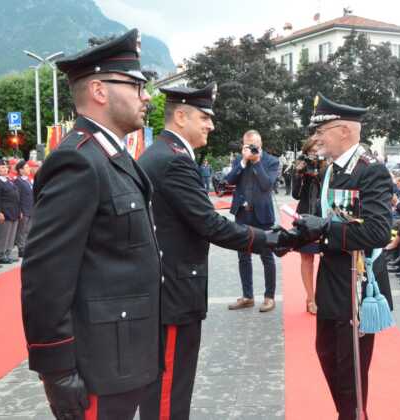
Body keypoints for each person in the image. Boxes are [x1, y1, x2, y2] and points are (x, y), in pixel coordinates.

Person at [20, 29, 163, 420]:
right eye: (136, 86)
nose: (146, 97)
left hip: (124, 356)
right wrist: (57, 369)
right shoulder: (79, 161)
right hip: (97, 366)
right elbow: (46, 274)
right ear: (100, 91)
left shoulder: (112, 156)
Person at [137, 84, 291, 420]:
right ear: (181, 116)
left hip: (164, 286)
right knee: (168, 393)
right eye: (204, 117)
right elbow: (209, 223)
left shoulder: (161, 153)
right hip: (174, 291)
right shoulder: (174, 161)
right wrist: (272, 239)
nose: (211, 125)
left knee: (167, 388)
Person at [290, 93, 393, 419]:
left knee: (351, 371)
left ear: (344, 131)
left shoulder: (370, 170)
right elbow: (334, 220)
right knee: (327, 354)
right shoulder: (332, 170)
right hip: (332, 276)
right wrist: (296, 235)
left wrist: (324, 228)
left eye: (322, 131)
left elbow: (378, 232)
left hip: (356, 281)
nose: (316, 138)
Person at [226, 129, 280, 312]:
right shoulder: (239, 160)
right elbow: (229, 180)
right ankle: (247, 296)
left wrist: (256, 162)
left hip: (263, 216)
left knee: (267, 256)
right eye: (247, 145)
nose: (250, 149)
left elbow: (267, 185)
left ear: (260, 144)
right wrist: (243, 162)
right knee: (243, 256)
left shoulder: (271, 161)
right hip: (242, 214)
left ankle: (269, 297)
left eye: (254, 145)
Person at [292, 136, 326, 315]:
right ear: (306, 152)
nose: (315, 154)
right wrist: (299, 174)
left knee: (327, 257)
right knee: (307, 258)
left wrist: (320, 171)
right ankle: (310, 298)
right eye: (312, 151)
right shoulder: (301, 165)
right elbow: (295, 194)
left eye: (318, 150)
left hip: (324, 216)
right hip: (305, 215)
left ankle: (324, 296)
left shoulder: (329, 165)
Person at [0, 159, 19, 263]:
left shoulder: (7, 180)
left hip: (13, 210)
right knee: (3, 234)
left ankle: (8, 253)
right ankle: (0, 255)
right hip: (5, 211)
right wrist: (0, 212)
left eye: (5, 167)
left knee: (11, 234)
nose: (5, 169)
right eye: (2, 167)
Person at [13, 160, 34, 258]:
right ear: (20, 170)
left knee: (28, 230)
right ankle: (21, 248)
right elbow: (17, 197)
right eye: (26, 167)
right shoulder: (18, 181)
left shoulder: (28, 180)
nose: (29, 169)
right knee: (22, 230)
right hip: (23, 209)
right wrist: (20, 210)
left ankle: (26, 246)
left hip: (30, 209)